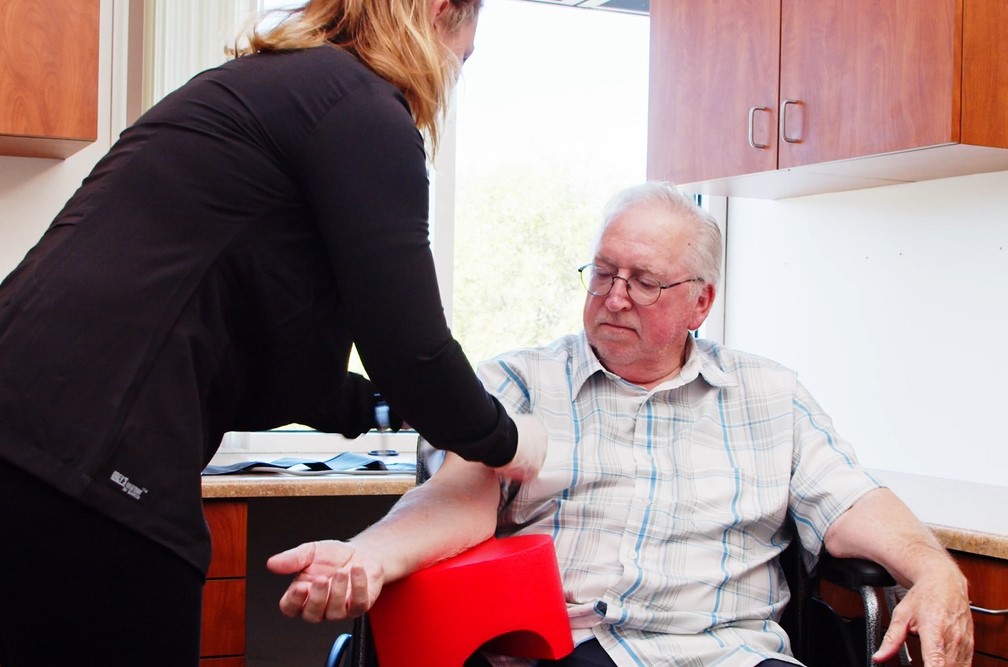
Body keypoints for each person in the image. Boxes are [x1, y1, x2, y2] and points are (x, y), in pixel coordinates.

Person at [0, 1, 548, 664]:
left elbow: (294, 380)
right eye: (463, 58)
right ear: (437, 14)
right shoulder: (365, 111)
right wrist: (506, 438)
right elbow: (413, 349)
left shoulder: (272, 91)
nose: (452, 80)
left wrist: (409, 412)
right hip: (81, 464)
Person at [268, 182, 974, 666]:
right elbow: (454, 497)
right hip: (579, 649)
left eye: (643, 280)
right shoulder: (518, 384)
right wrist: (368, 554)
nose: (614, 296)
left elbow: (850, 501)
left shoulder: (769, 394)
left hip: (733, 652)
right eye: (602, 272)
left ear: (701, 301)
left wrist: (933, 569)